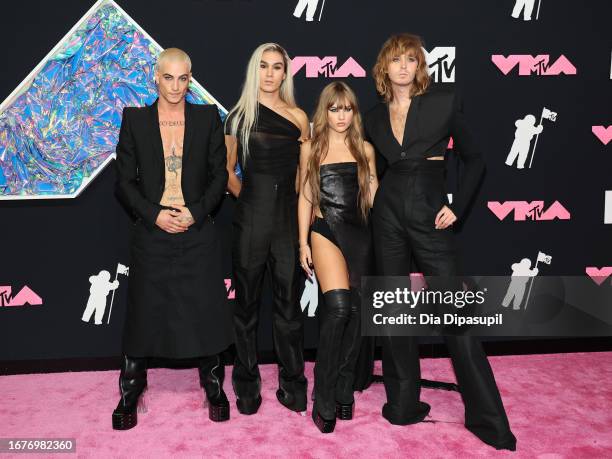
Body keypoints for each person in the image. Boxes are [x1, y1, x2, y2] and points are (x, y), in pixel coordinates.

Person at [363, 33, 517, 450]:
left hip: (431, 206)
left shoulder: (443, 102)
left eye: (410, 60)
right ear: (384, 68)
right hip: (388, 212)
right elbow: (371, 167)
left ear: (419, 67)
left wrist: (458, 207)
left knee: (456, 311)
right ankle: (402, 405)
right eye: (395, 60)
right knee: (394, 308)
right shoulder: (373, 117)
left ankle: (488, 420)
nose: (402, 67)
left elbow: (475, 158)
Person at [113, 48, 232, 429]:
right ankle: (130, 392)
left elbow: (219, 176)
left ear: (190, 78)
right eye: (168, 78)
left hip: (197, 228)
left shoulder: (206, 116)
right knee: (142, 313)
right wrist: (155, 215)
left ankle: (214, 386)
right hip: (152, 229)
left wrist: (196, 212)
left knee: (208, 311)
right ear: (156, 77)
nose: (176, 86)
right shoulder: (134, 119)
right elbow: (124, 183)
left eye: (183, 79)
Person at [225, 43, 310, 415]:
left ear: (285, 73)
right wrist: (252, 198)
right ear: (253, 70)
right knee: (245, 307)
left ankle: (293, 384)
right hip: (250, 220)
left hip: (288, 222)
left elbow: (305, 178)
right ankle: (246, 384)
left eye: (277, 67)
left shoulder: (299, 118)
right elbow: (227, 172)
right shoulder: (237, 117)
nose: (271, 73)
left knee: (289, 308)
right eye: (263, 66)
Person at [298, 82, 378, 433]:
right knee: (340, 308)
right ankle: (324, 391)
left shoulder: (365, 150)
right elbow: (304, 197)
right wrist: (302, 242)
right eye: (334, 109)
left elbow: (373, 198)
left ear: (354, 112)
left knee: (359, 311)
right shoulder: (310, 149)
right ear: (324, 111)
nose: (341, 115)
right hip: (324, 229)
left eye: (347, 109)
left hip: (359, 233)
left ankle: (345, 385)